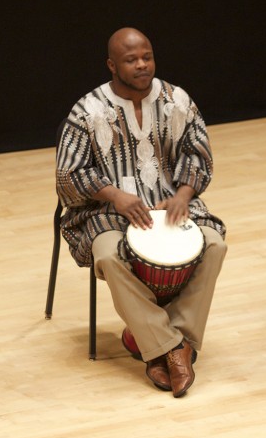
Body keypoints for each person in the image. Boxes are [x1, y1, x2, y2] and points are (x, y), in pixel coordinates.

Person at [55, 27, 228, 397]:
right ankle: (171, 348)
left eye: (146, 57)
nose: (142, 65)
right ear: (112, 65)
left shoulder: (177, 101)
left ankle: (165, 343)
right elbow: (67, 176)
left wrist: (183, 193)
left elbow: (199, 157)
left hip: (171, 204)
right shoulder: (87, 111)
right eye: (131, 60)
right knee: (109, 255)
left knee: (214, 244)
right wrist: (115, 195)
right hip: (107, 212)